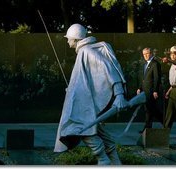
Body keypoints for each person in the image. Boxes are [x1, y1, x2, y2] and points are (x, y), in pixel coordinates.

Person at [54, 24, 128, 165]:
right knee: (95, 129)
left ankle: (103, 160)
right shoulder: (84, 51)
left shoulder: (86, 51)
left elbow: (108, 67)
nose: (67, 41)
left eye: (68, 38)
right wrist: (72, 90)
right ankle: (116, 163)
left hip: (85, 105)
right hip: (86, 102)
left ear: (75, 39)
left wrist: (119, 94)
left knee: (79, 128)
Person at [137, 47, 163, 133]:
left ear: (151, 53)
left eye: (147, 53)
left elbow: (157, 78)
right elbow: (143, 78)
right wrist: (140, 88)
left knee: (151, 110)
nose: (145, 56)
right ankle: (147, 128)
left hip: (151, 91)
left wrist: (155, 90)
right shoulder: (145, 64)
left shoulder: (155, 64)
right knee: (149, 109)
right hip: (145, 91)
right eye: (144, 54)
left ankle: (165, 123)